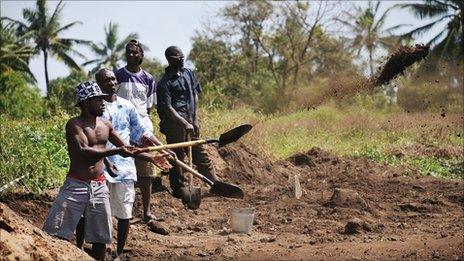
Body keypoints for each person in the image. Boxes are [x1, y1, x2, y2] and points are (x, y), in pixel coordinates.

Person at [42, 81, 169, 260]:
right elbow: (85, 152)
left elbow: (126, 149)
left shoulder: (106, 125)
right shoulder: (74, 124)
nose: (103, 102)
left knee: (101, 237)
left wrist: (152, 158)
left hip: (99, 186)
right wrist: (117, 151)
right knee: (54, 232)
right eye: (98, 100)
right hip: (75, 184)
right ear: (86, 103)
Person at [93, 68, 171, 257]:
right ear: (99, 84)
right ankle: (101, 251)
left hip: (125, 168)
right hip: (100, 168)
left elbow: (142, 132)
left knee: (125, 212)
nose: (111, 83)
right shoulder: (95, 108)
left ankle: (118, 254)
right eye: (106, 80)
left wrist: (162, 148)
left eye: (113, 79)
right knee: (100, 213)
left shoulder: (127, 106)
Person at [156, 46, 218, 199]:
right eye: (178, 58)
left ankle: (215, 184)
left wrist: (195, 118)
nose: (182, 60)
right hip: (174, 125)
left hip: (191, 121)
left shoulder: (189, 73)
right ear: (170, 60)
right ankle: (179, 190)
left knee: (200, 153)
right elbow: (168, 108)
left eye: (182, 57)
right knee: (177, 158)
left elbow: (195, 94)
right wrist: (184, 123)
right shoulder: (164, 83)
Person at [114, 39, 162, 221]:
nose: (132, 55)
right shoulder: (118, 75)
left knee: (145, 173)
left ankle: (147, 212)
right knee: (124, 171)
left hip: (142, 127)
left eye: (135, 52)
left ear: (141, 56)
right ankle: (123, 213)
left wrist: (144, 129)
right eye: (129, 52)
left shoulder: (148, 79)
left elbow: (148, 108)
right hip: (121, 129)